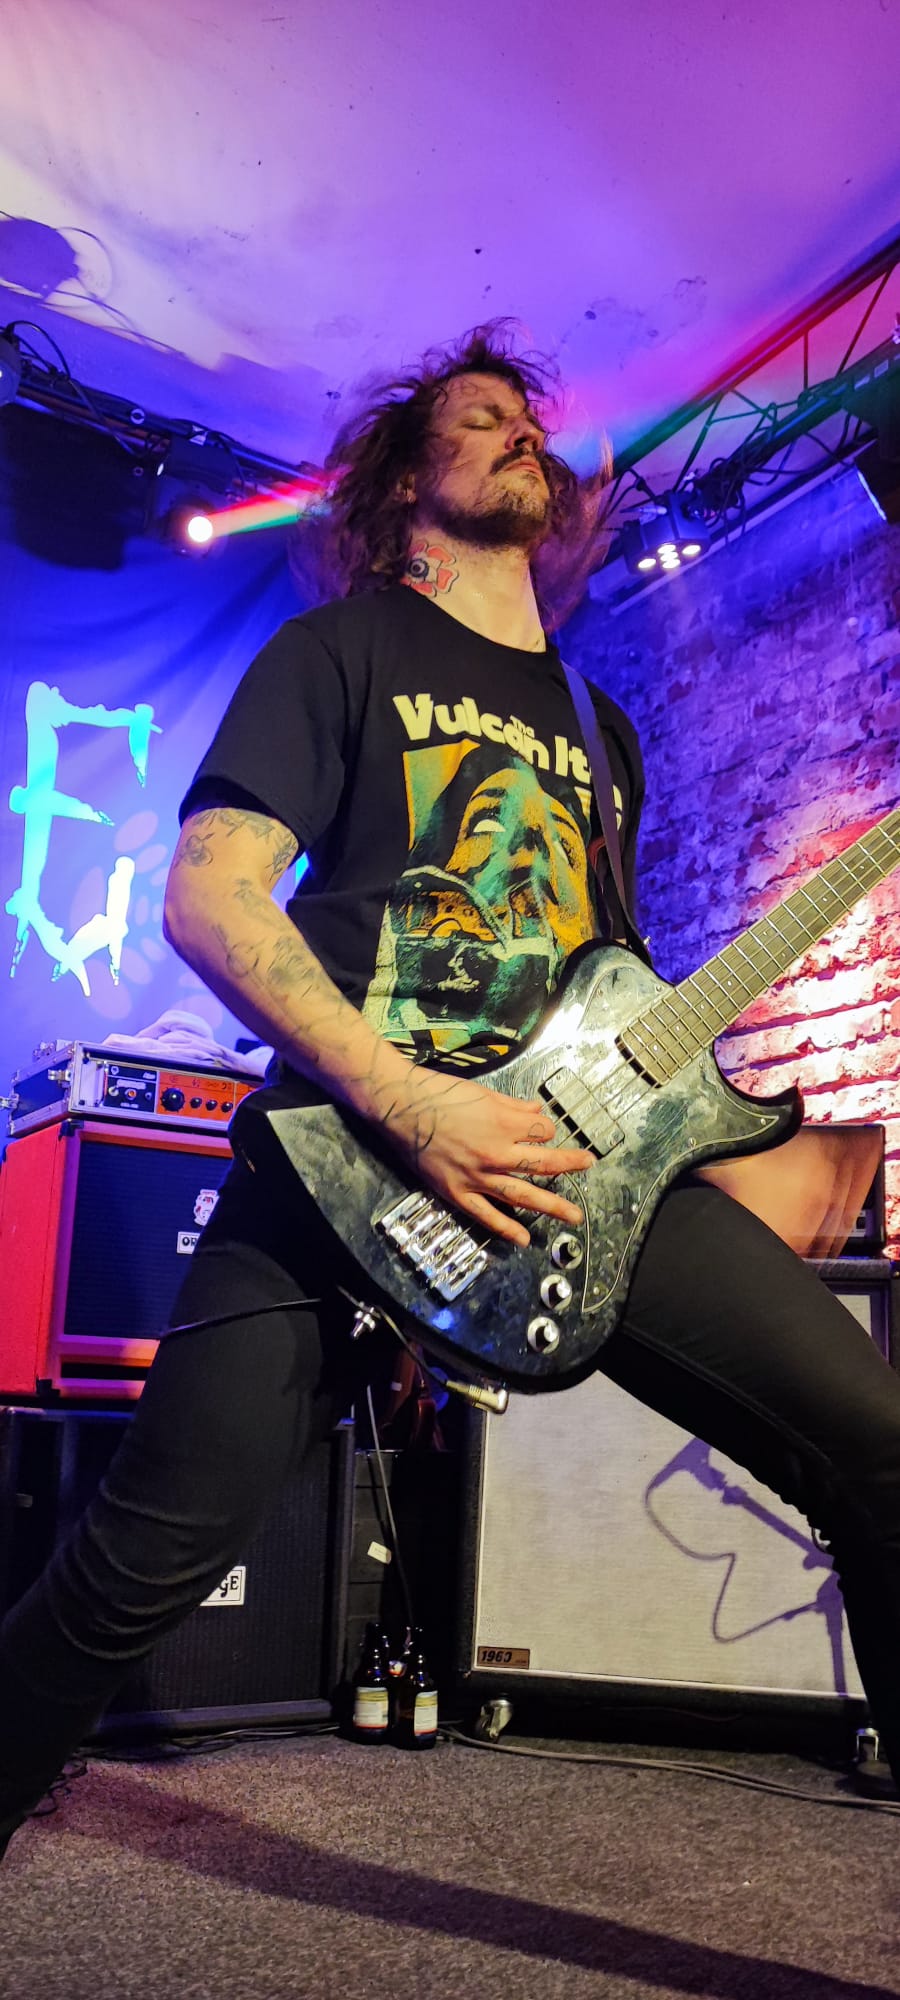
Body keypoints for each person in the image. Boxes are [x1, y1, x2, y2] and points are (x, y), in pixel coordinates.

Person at [2, 324, 900, 1859]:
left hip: (560, 1174)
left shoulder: (604, 735)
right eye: (479, 419)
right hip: (345, 1164)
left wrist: (732, 1145)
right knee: (135, 1564)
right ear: (403, 482)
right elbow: (213, 899)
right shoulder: (340, 653)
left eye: (527, 422)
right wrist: (415, 1105)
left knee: (875, 1448)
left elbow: (609, 1000)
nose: (517, 435)